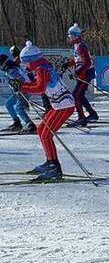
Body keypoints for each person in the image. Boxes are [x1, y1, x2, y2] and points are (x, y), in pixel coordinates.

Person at [18, 41, 76, 179]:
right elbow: (38, 84)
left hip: (64, 105)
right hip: (58, 104)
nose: (25, 66)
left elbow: (40, 89)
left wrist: (22, 87)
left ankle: (55, 167)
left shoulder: (41, 69)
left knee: (46, 134)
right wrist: (22, 85)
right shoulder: (42, 66)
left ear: (32, 61)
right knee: (41, 130)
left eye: (25, 63)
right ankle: (50, 162)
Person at [65, 23, 98, 126]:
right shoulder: (77, 45)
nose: (69, 38)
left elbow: (87, 62)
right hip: (83, 73)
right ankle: (92, 114)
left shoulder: (80, 46)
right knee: (80, 95)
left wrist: (77, 73)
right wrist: (68, 63)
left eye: (70, 36)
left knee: (76, 95)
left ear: (75, 36)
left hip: (86, 73)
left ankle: (81, 118)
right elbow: (78, 60)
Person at [0, 48, 36, 133]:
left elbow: (23, 79)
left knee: (19, 108)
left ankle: (30, 125)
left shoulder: (12, 69)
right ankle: (17, 123)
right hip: (19, 91)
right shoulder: (10, 68)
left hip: (24, 90)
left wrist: (18, 83)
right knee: (8, 104)